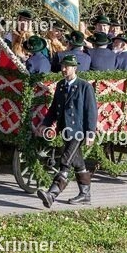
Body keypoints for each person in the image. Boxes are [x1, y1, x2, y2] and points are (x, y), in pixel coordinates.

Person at [37, 54, 98, 207]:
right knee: (78, 163)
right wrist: (45, 124)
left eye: (67, 67)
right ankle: (85, 195)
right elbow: (53, 109)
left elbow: (91, 111)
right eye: (62, 66)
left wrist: (90, 133)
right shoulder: (61, 85)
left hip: (78, 132)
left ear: (75, 68)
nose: (63, 69)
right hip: (65, 130)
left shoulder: (85, 86)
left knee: (66, 161)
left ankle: (52, 194)